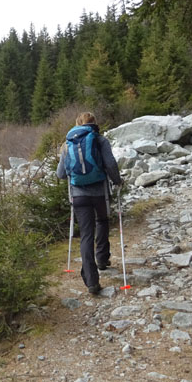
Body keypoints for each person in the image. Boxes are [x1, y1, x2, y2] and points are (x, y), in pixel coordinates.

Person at [56, 112, 122, 294]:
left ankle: (92, 282)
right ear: (94, 123)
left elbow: (60, 174)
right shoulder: (100, 140)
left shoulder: (67, 144)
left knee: (86, 234)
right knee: (102, 221)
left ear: (77, 123)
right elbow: (110, 163)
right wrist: (117, 181)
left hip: (78, 196)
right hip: (99, 193)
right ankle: (102, 259)